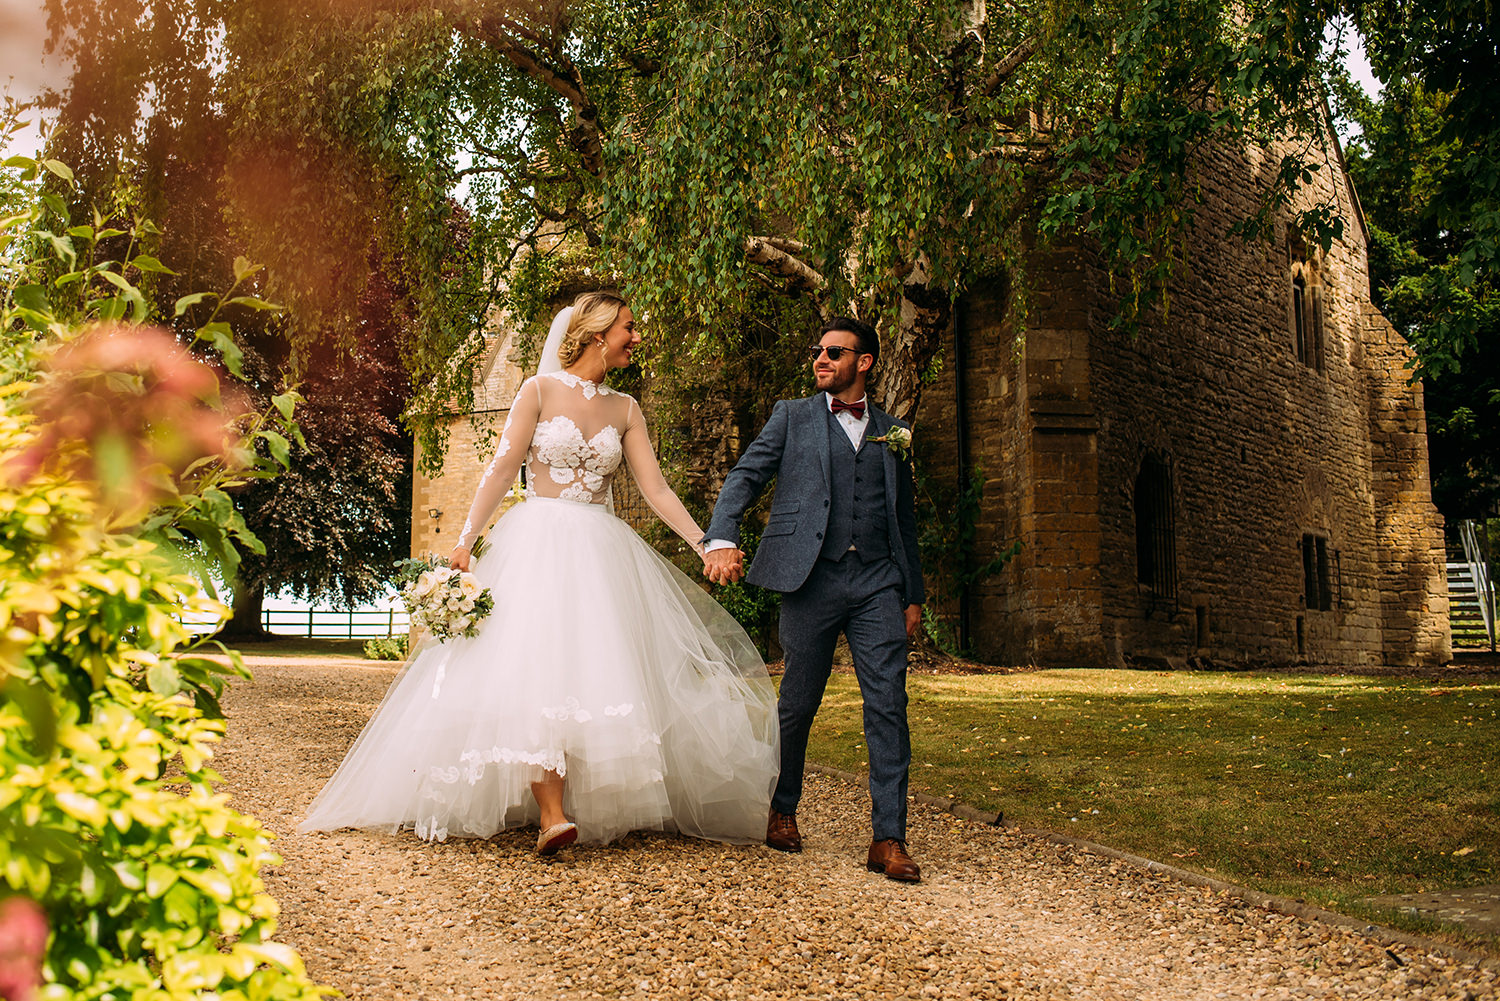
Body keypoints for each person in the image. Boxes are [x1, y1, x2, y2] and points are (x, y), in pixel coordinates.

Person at [299, 291, 779, 856]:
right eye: (629, 327)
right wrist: (464, 540)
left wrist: (705, 543)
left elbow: (656, 489)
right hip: (536, 543)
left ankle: (568, 802)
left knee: (590, 670)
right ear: (600, 333)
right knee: (535, 665)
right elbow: (503, 466)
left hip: (601, 551)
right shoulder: (537, 390)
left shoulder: (626, 409)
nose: (637, 338)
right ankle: (551, 812)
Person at [701, 316, 925, 882]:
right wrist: (722, 534)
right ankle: (782, 808)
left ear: (864, 362)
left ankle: (888, 837)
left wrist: (913, 594)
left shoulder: (894, 431)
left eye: (833, 352)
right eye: (817, 351)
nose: (820, 359)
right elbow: (745, 476)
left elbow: (904, 521)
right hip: (811, 579)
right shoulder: (792, 417)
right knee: (797, 704)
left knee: (888, 707)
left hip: (878, 582)